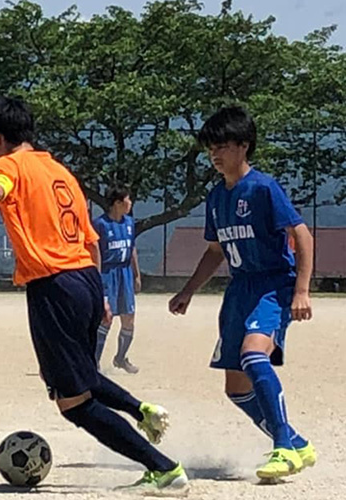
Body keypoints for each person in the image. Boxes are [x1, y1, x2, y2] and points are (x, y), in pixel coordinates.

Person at [0, 95, 187, 491]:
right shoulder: (59, 171)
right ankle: (143, 410)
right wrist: (101, 293)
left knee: (73, 402)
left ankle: (163, 468)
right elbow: (90, 240)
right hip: (84, 279)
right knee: (68, 375)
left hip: (54, 285)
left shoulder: (11, 166)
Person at [169, 106, 316, 480]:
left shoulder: (263, 187)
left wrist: (301, 290)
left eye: (221, 145)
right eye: (210, 148)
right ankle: (297, 442)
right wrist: (187, 291)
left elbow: (302, 235)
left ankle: (283, 446)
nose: (214, 154)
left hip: (272, 284)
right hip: (239, 291)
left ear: (243, 146)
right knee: (235, 388)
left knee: (254, 355)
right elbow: (216, 251)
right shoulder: (217, 197)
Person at [93, 186, 141, 374]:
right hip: (107, 274)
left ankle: (121, 358)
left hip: (125, 273)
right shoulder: (100, 224)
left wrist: (136, 274)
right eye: (128, 200)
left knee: (129, 318)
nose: (131, 204)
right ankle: (94, 361)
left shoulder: (129, 222)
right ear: (118, 203)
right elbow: (94, 252)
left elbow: (132, 249)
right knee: (106, 318)